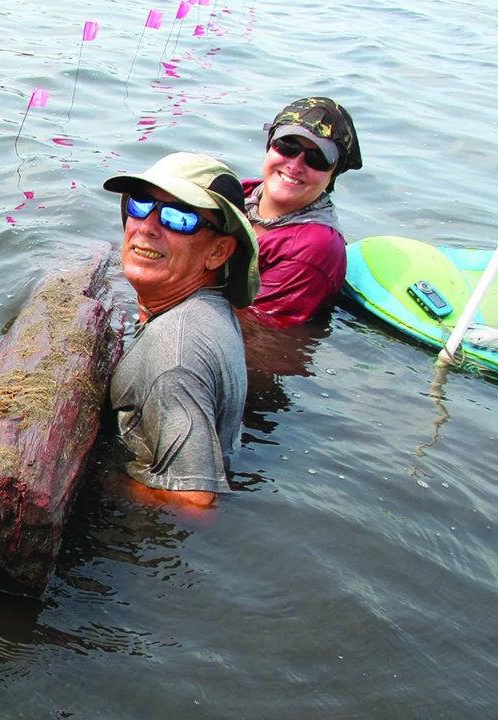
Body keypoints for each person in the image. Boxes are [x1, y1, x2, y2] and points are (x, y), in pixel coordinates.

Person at [101, 152, 261, 512]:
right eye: (140, 205)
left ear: (219, 251)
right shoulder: (208, 308)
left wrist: (101, 484)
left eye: (180, 218)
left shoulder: (174, 356)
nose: (147, 226)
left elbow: (193, 501)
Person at [243, 96, 363, 326]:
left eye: (316, 158)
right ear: (270, 145)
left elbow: (254, 331)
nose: (295, 166)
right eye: (287, 146)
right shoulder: (239, 194)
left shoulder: (312, 251)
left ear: (332, 174)